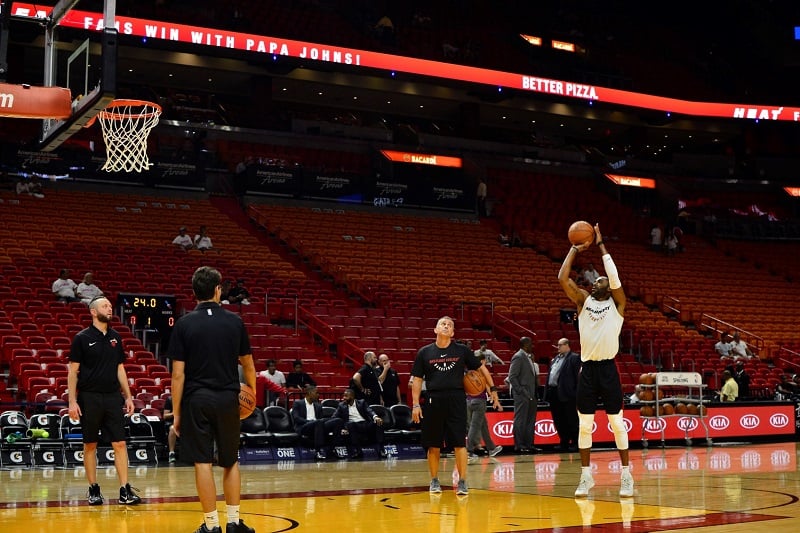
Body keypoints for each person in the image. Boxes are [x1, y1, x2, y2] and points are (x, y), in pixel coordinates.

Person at [167, 266, 256, 533]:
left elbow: (178, 376)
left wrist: (177, 413)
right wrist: (250, 395)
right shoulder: (235, 321)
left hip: (197, 399)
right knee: (230, 461)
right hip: (228, 397)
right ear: (219, 289)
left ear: (194, 292)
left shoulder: (183, 324)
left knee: (203, 462)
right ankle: (234, 522)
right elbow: (249, 366)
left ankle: (211, 526)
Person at [558, 223, 634, 498]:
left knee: (616, 423)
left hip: (608, 369)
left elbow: (614, 279)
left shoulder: (618, 305)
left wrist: (601, 245)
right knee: (584, 425)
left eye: (600, 280)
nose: (596, 282)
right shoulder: (583, 301)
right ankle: (586, 476)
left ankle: (626, 475)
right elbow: (562, 278)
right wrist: (574, 249)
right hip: (587, 370)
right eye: (595, 281)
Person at [410, 316, 501, 496]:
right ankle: (434, 480)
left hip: (457, 399)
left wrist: (493, 388)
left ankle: (462, 481)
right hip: (433, 399)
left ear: (452, 333)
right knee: (433, 445)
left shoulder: (462, 350)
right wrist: (415, 405)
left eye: (450, 325)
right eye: (442, 324)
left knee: (459, 443)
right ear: (435, 330)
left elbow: (481, 368)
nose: (446, 326)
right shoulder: (424, 352)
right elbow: (417, 380)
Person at [67, 295, 141, 506]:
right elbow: (73, 372)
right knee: (90, 444)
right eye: (105, 306)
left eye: (110, 306)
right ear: (93, 311)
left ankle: (124, 490)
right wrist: (72, 401)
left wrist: (128, 396)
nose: (110, 308)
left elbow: (120, 368)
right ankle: (93, 489)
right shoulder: (82, 338)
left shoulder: (116, 337)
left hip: (112, 397)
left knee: (120, 443)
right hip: (89, 397)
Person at [291, 385, 344, 461]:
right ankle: (318, 452)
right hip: (304, 427)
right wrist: (311, 422)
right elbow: (296, 418)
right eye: (316, 393)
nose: (318, 395)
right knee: (318, 422)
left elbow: (320, 419)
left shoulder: (318, 405)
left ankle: (332, 450)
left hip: (318, 426)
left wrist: (317, 422)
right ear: (310, 393)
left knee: (338, 421)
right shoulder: (298, 403)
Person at [546, 338, 581, 452]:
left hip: (568, 393)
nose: (558, 347)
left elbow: (577, 377)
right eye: (558, 345)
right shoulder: (555, 358)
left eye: (560, 345)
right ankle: (564, 442)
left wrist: (575, 392)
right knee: (558, 419)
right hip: (554, 392)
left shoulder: (574, 358)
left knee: (571, 419)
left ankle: (576, 442)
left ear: (567, 345)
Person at [507, 336, 540, 454]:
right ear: (525, 345)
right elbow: (512, 376)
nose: (532, 346)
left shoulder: (529, 357)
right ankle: (519, 445)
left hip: (531, 394)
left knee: (530, 421)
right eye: (530, 343)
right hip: (522, 395)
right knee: (520, 420)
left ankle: (529, 444)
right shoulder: (518, 357)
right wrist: (521, 391)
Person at [466, 352, 503, 458]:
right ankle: (469, 450)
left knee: (483, 426)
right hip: (479, 401)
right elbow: (487, 386)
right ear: (481, 361)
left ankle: (492, 448)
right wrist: (496, 400)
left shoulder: (469, 372)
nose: (485, 362)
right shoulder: (481, 372)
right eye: (484, 360)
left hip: (469, 401)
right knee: (474, 426)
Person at [333, 388, 386, 459]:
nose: (343, 398)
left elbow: (369, 411)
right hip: (354, 425)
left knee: (379, 423)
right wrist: (342, 428)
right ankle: (358, 451)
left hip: (365, 424)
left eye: (346, 396)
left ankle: (381, 450)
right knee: (350, 424)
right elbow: (334, 418)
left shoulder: (361, 402)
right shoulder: (341, 406)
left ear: (352, 396)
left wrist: (375, 417)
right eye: (343, 396)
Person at [162, 395, 179, 464]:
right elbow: (165, 416)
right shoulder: (170, 399)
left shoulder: (188, 399)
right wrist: (174, 413)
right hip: (172, 422)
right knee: (172, 428)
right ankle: (171, 453)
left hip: (186, 422)